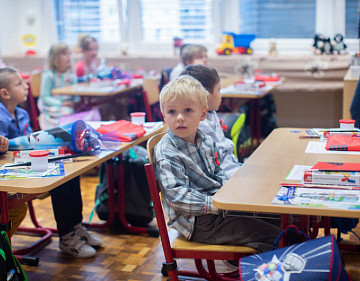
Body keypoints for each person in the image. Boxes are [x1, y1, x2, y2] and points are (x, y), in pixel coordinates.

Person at [153, 75, 279, 253]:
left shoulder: (205, 140)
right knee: (274, 236)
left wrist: (230, 195)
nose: (179, 118)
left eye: (188, 110)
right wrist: (218, 204)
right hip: (197, 223)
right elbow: (177, 197)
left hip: (218, 208)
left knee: (279, 216)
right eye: (172, 112)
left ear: (203, 114)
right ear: (164, 116)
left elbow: (218, 173)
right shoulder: (166, 152)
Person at [0, 67, 102, 258]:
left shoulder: (22, 114)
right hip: (11, 175)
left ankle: (76, 226)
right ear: (5, 94)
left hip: (27, 165)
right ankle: (67, 238)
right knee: (60, 179)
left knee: (70, 171)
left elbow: (30, 142)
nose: (26, 86)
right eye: (19, 84)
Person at [180, 64, 241, 178]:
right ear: (206, 95)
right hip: (225, 176)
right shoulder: (198, 124)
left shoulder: (210, 114)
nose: (221, 95)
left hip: (231, 168)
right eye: (218, 90)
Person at [37, 43, 80, 130]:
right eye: (64, 54)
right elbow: (45, 97)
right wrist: (60, 103)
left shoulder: (71, 75)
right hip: (51, 105)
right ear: (55, 58)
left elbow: (76, 95)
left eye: (69, 53)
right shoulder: (49, 75)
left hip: (67, 106)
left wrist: (75, 102)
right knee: (61, 115)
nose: (68, 57)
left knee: (71, 112)